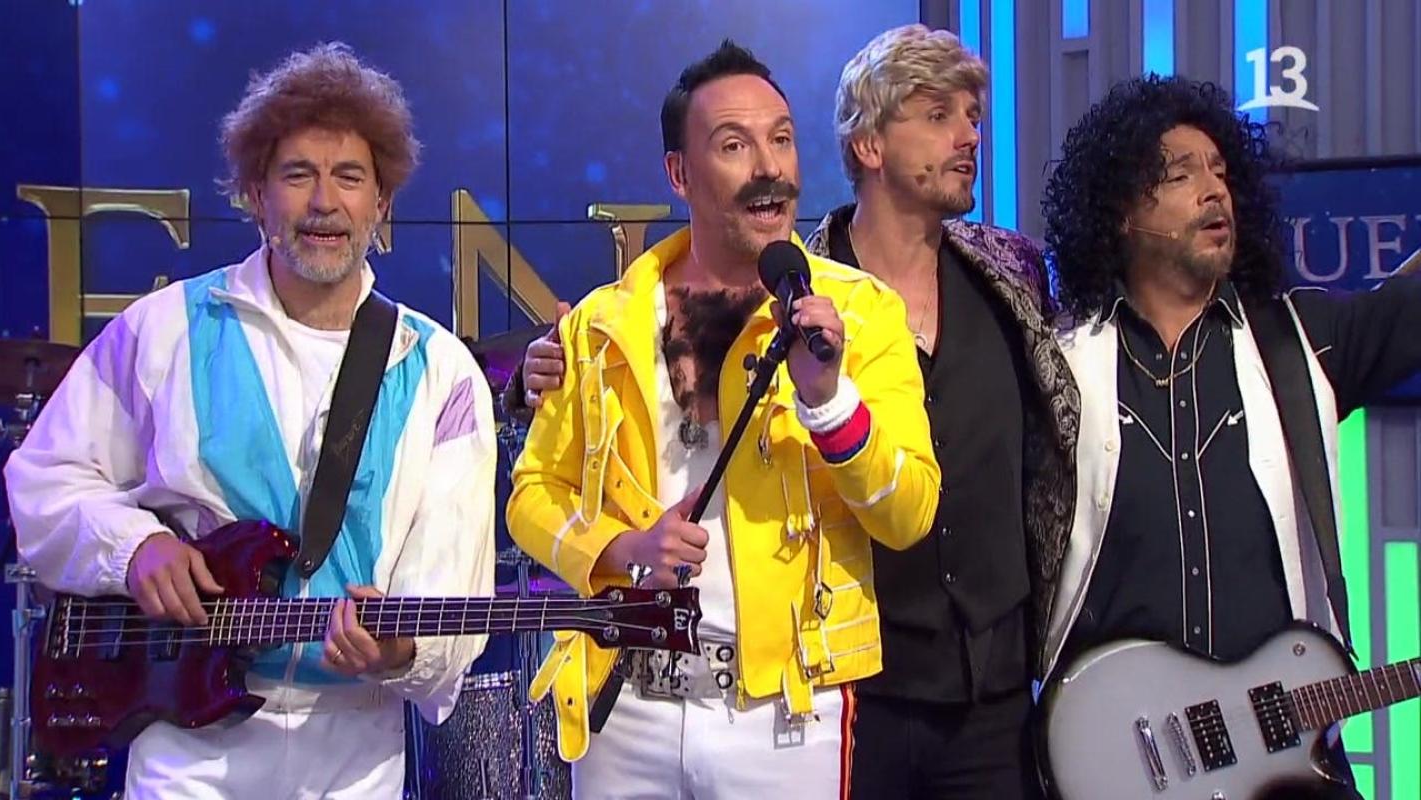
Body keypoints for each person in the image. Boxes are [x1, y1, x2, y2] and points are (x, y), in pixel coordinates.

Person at [2, 43, 496, 799]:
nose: (324, 201)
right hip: (187, 752)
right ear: (255, 194)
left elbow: (453, 590)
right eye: (298, 174)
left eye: (350, 177)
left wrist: (404, 651)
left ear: (382, 203)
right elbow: (42, 480)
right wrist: (135, 548)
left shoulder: (441, 373)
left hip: (356, 754)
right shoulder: (162, 330)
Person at [506, 40, 940, 798]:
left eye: (782, 139)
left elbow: (909, 516)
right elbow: (533, 494)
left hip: (784, 719)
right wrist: (623, 548)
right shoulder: (602, 323)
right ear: (679, 174)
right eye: (735, 145)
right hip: (624, 707)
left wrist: (829, 403)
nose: (769, 167)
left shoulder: (861, 316)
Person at [1041, 74, 1421, 798]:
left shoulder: (1302, 344)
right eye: (1181, 175)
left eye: (1221, 172)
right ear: (1120, 214)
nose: (1214, 190)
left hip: (1288, 762)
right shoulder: (1060, 366)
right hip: (1115, 766)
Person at [804, 25, 1075, 799]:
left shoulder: (1013, 274)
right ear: (869, 144)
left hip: (996, 700)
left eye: (973, 117)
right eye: (938, 115)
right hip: (853, 698)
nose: (969, 136)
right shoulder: (802, 297)